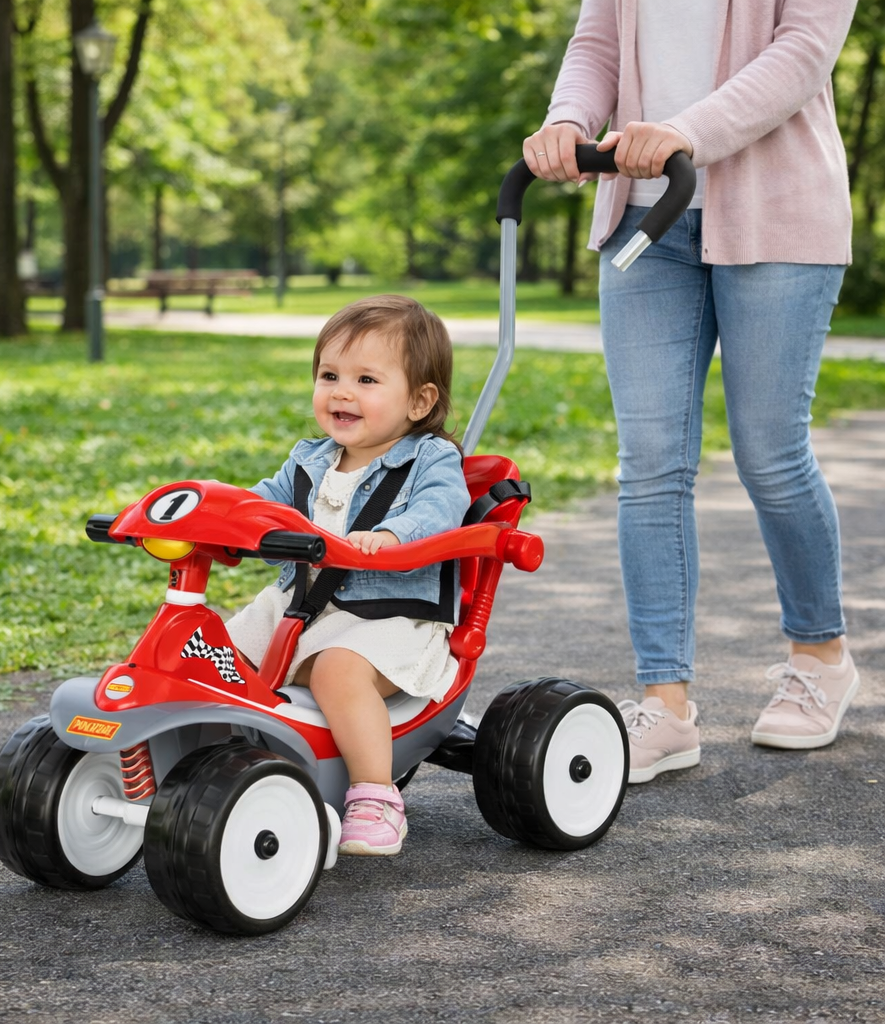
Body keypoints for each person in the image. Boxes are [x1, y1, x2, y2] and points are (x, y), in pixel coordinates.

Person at [523, 0, 861, 783]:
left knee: (771, 454)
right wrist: (567, 121)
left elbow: (801, 54)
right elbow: (598, 43)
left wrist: (685, 132)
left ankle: (821, 656)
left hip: (778, 219)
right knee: (649, 465)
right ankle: (665, 705)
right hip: (645, 217)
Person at [225, 295, 469, 852]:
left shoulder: (429, 458)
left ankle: (376, 795)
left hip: (390, 619)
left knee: (338, 671)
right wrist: (220, 519)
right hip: (301, 605)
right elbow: (262, 505)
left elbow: (440, 510)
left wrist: (392, 536)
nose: (341, 391)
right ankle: (221, 761)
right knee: (212, 652)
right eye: (329, 374)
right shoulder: (309, 458)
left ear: (419, 400)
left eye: (366, 379)